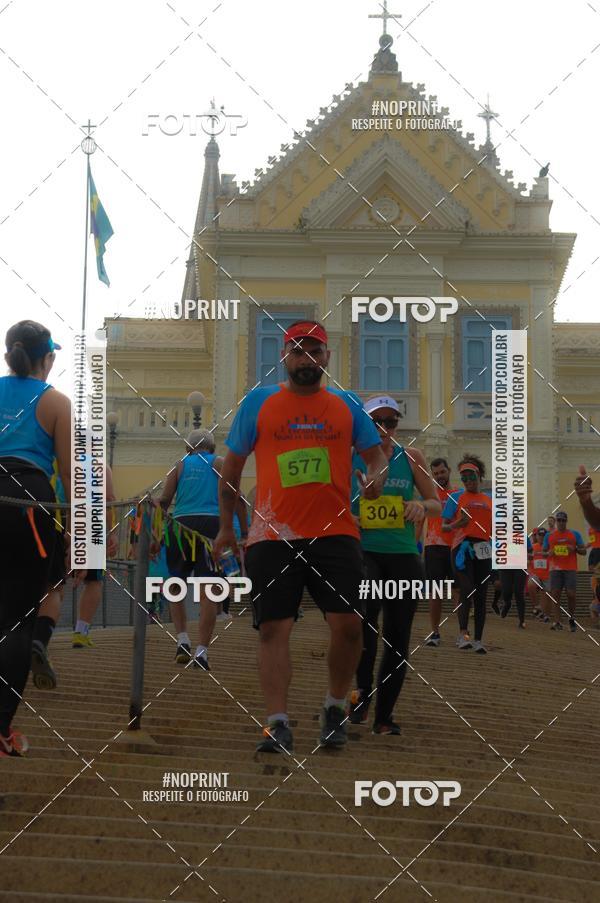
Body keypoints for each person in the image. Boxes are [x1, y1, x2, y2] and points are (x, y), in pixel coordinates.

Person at [212, 320, 388, 754]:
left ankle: (333, 708)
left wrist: (376, 477)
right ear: (285, 357)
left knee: (349, 627)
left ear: (327, 357)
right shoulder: (259, 402)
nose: (305, 358)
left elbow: (376, 455)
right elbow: (231, 470)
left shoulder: (347, 406)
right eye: (297, 350)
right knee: (273, 630)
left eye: (314, 350)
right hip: (272, 536)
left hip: (336, 534)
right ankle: (277, 722)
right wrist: (224, 527)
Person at [0, 320, 72, 756]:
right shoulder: (56, 402)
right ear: (47, 359)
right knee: (17, 621)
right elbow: (69, 475)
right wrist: (84, 537)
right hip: (30, 505)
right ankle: (3, 728)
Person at [347, 396, 440, 733]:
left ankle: (384, 716)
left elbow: (436, 501)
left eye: (391, 422)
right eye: (377, 422)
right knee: (364, 630)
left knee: (398, 639)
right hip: (365, 553)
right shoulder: (350, 456)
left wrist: (420, 507)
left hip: (403, 556)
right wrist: (349, 517)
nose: (384, 429)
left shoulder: (410, 457)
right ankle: (360, 700)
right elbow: (327, 500)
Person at [159, 429, 248, 670]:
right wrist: (245, 530)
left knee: (176, 583)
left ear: (188, 448)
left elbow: (165, 499)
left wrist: (157, 526)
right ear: (211, 447)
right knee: (209, 587)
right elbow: (233, 495)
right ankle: (202, 651)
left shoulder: (179, 465)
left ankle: (182, 639)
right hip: (212, 524)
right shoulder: (218, 462)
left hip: (181, 525)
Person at [441, 454, 492, 654]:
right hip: (462, 547)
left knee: (481, 595)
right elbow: (444, 527)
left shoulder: (489, 499)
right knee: (467, 588)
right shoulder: (456, 497)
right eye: (464, 478)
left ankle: (478, 639)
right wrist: (458, 524)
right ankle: (463, 634)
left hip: (483, 548)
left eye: (471, 477)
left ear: (479, 476)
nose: (468, 481)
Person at [71, 463, 117, 648]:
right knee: (93, 580)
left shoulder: (63, 460)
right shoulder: (101, 467)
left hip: (62, 518)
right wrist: (111, 532)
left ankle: (38, 632)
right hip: (93, 525)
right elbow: (109, 499)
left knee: (52, 584)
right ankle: (81, 632)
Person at [423, 457, 458, 647]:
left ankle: (463, 633)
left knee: (458, 591)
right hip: (432, 547)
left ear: (449, 471)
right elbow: (420, 520)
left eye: (442, 472)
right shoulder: (430, 496)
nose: (439, 476)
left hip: (454, 548)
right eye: (435, 474)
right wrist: (415, 546)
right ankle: (435, 633)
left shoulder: (458, 495)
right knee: (434, 593)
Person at [542, 511, 586, 632]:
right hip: (555, 569)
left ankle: (571, 618)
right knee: (555, 594)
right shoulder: (549, 536)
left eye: (563, 520)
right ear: (556, 522)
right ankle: (557, 621)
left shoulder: (574, 534)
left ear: (566, 521)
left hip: (570, 568)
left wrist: (575, 548)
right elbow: (544, 552)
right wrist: (549, 553)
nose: (561, 522)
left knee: (571, 594)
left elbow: (584, 551)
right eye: (559, 520)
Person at [498, 535, 533, 629]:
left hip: (520, 567)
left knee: (519, 593)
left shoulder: (524, 537)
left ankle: (522, 621)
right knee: (506, 591)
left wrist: (529, 557)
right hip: (505, 567)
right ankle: (507, 603)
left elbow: (530, 551)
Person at [528, 527, 550, 622]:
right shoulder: (533, 547)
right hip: (535, 574)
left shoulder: (549, 547)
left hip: (547, 575)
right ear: (536, 536)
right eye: (540, 535)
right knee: (531, 584)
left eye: (543, 535)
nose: (541, 537)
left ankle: (543, 615)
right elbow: (528, 560)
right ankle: (536, 606)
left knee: (545, 596)